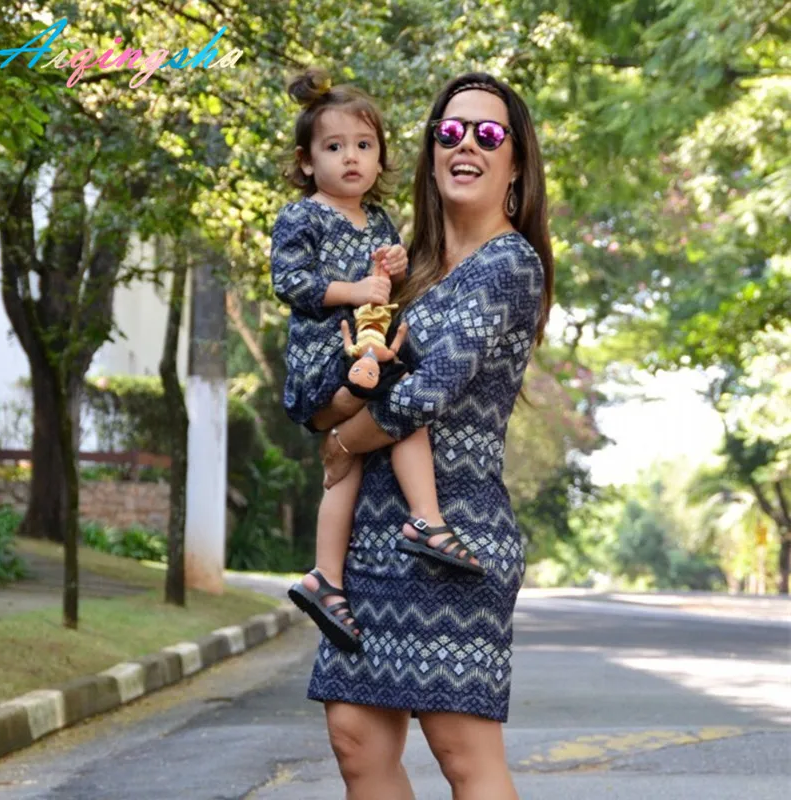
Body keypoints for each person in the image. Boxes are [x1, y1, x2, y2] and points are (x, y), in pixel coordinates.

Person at [308, 72, 554, 800]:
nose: (466, 144)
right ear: (430, 153)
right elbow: (343, 379)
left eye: (488, 133)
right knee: (355, 741)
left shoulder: (511, 265)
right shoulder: (403, 270)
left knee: (461, 752)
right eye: (449, 132)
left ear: (515, 162)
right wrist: (335, 411)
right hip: (371, 531)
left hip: (453, 534)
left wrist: (345, 442)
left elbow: (425, 392)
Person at [271, 69, 484, 656]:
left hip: (370, 348)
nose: (351, 158)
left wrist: (389, 268)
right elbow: (291, 283)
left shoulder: (381, 221)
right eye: (334, 147)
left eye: (364, 146)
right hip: (324, 356)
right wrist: (358, 290)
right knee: (395, 404)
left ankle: (327, 576)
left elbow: (385, 289)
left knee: (357, 456)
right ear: (308, 160)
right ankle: (425, 518)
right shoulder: (303, 216)